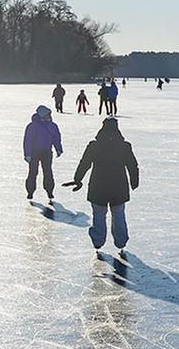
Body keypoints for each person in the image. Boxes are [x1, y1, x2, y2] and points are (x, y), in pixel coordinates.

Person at [69, 117, 140, 253]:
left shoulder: (94, 146)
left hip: (98, 187)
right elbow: (132, 165)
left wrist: (78, 179)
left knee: (99, 215)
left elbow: (84, 163)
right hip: (118, 188)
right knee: (118, 214)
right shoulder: (124, 146)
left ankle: (98, 241)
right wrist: (134, 181)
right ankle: (121, 242)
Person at [23, 105, 63, 200]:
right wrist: (27, 154)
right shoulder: (32, 126)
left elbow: (56, 138)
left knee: (48, 172)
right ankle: (30, 192)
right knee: (33, 172)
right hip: (34, 153)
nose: (49, 116)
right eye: (47, 114)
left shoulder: (52, 126)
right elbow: (27, 141)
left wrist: (58, 148)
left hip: (47, 152)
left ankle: (49, 191)